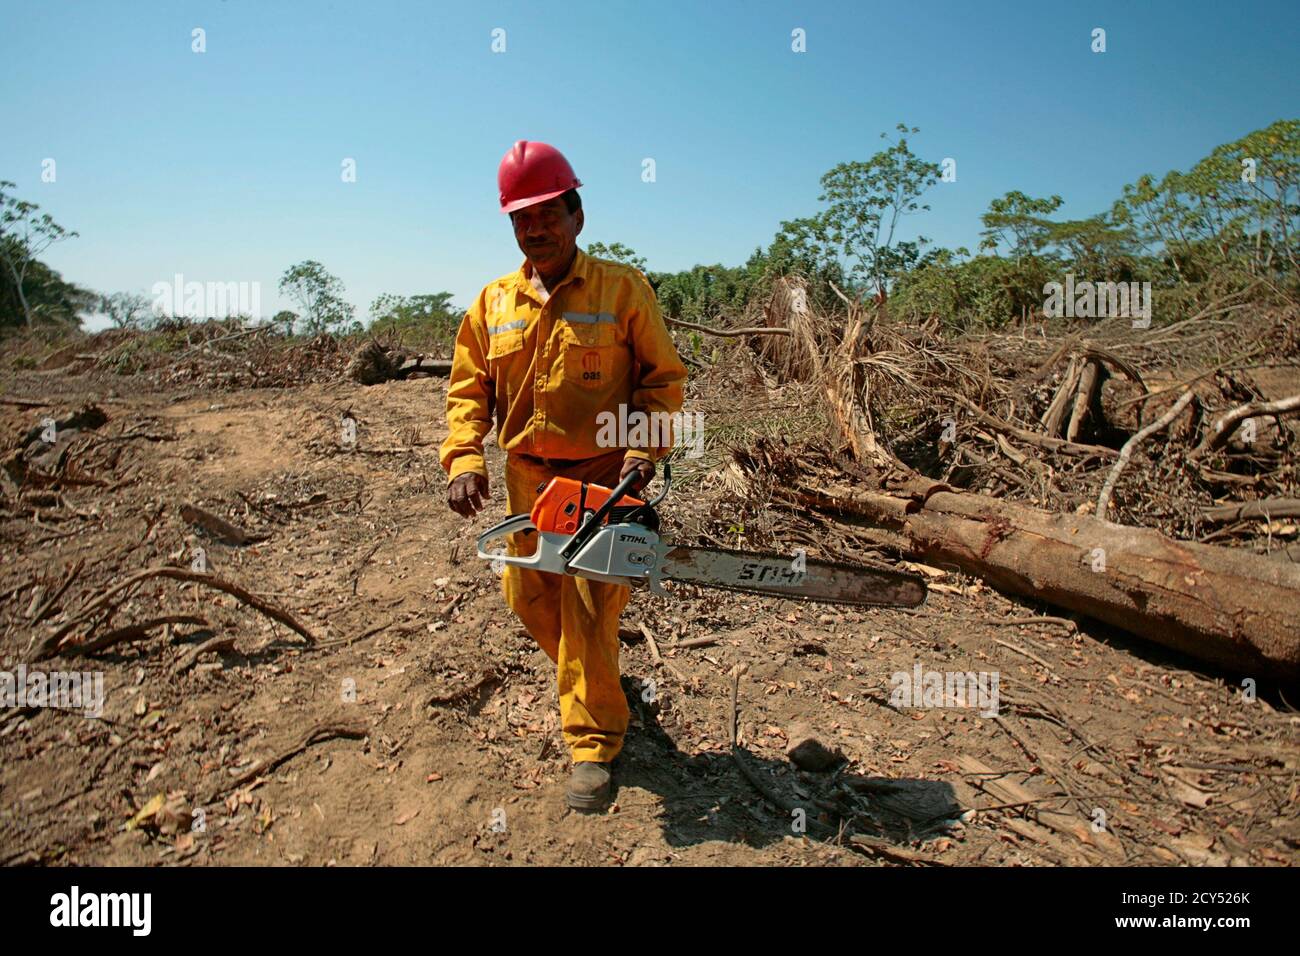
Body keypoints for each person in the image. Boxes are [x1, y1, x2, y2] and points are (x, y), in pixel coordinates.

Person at [441, 140, 688, 811]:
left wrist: (644, 450)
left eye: (548, 214)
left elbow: (663, 382)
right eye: (522, 219)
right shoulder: (494, 304)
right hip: (526, 481)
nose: (535, 229)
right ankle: (599, 676)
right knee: (527, 599)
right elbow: (469, 390)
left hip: (602, 480)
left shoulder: (621, 288)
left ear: (576, 215)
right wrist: (465, 457)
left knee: (584, 609)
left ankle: (593, 743)